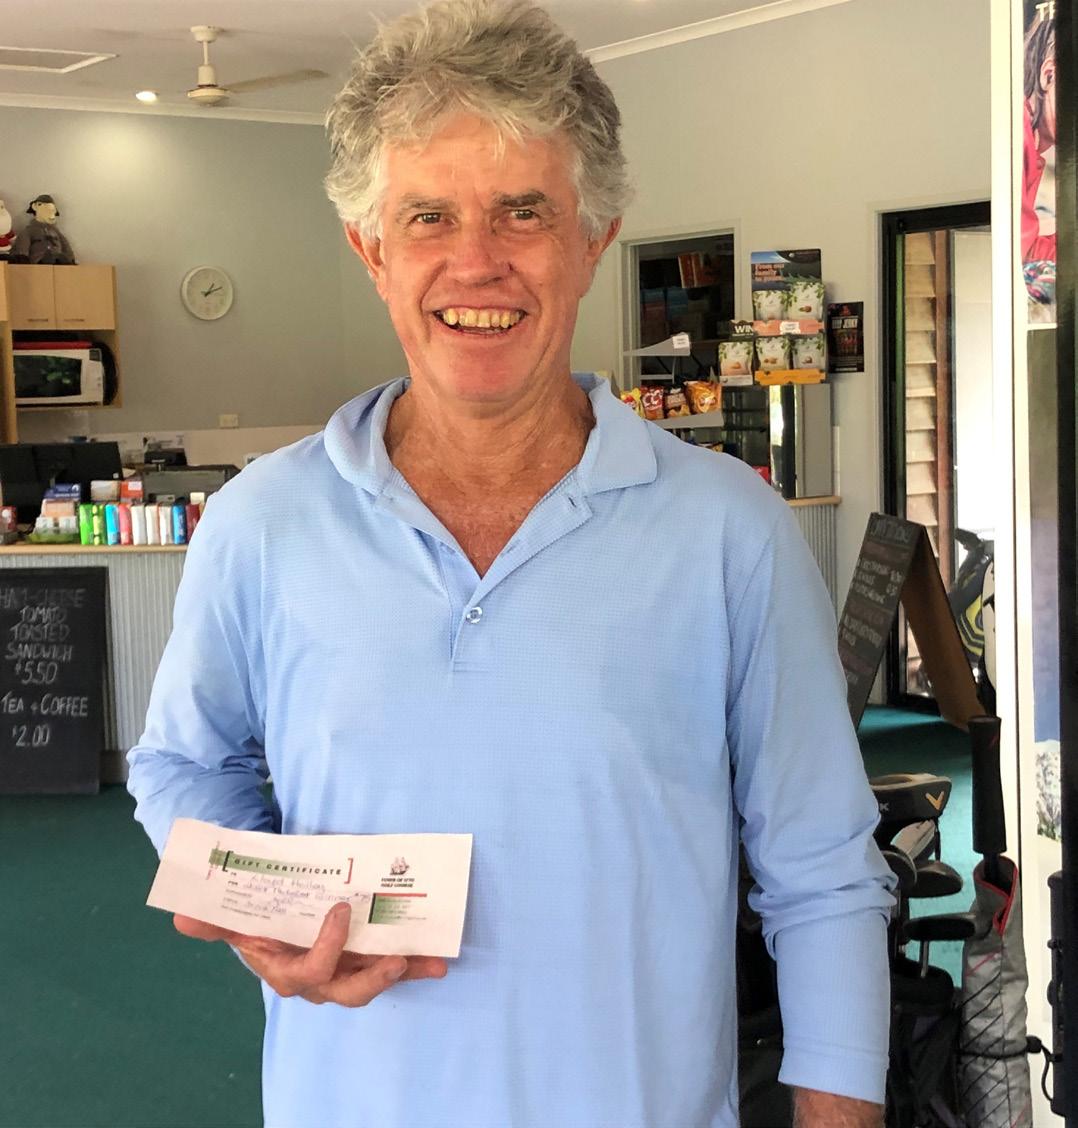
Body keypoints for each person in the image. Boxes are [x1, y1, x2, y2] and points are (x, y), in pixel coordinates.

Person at [127, 2, 894, 1125]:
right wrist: (263, 908)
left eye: (523, 211)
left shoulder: (730, 530)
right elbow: (182, 766)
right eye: (428, 215)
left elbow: (823, 868)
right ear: (372, 251)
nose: (475, 262)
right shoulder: (262, 522)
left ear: (592, 240)